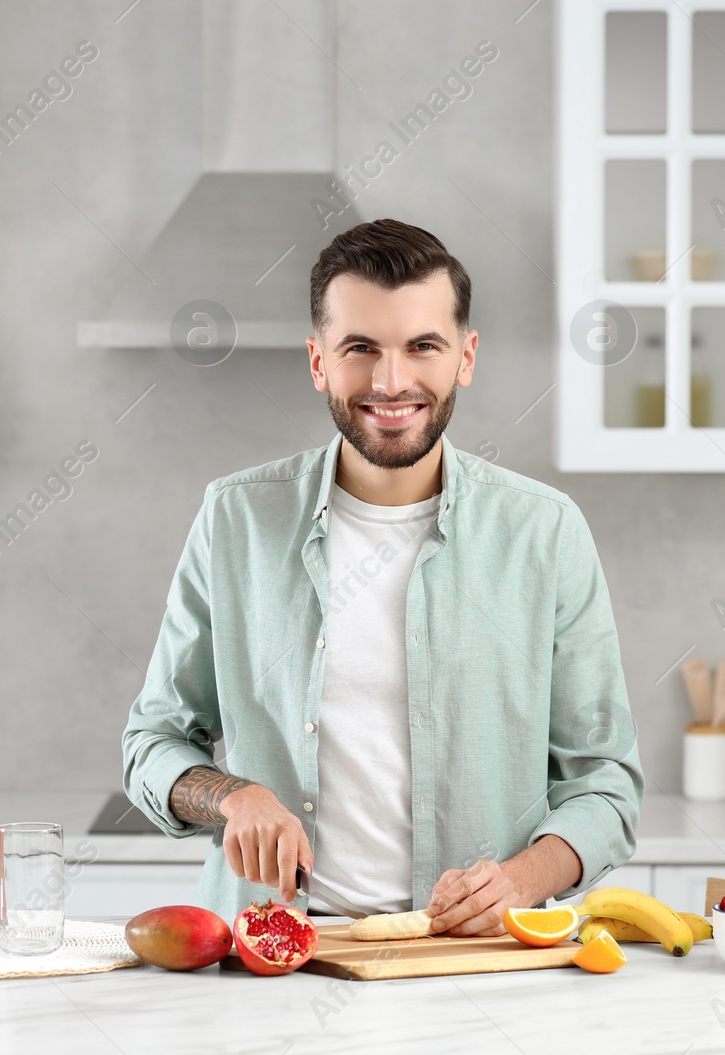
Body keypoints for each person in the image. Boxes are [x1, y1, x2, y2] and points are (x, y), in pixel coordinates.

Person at [122, 218, 642, 934]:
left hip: (468, 958)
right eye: (360, 348)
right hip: (270, 952)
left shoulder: (545, 532)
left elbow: (605, 785)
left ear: (466, 356)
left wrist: (520, 881)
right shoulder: (235, 519)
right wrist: (235, 797)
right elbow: (152, 743)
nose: (391, 381)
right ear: (318, 361)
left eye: (422, 346)